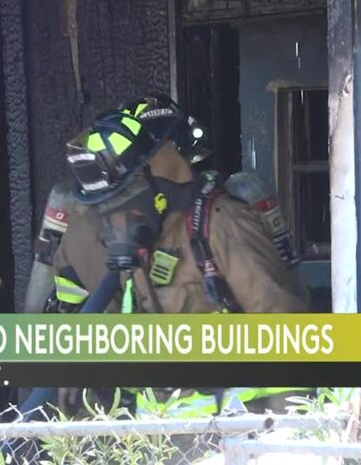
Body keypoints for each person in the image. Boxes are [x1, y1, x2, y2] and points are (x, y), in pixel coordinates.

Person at [50, 95, 310, 416]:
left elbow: (287, 339)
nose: (115, 220)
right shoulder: (129, 252)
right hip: (155, 443)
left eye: (124, 201)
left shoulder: (220, 225)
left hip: (237, 436)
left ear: (159, 183)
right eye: (105, 208)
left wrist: (290, 441)